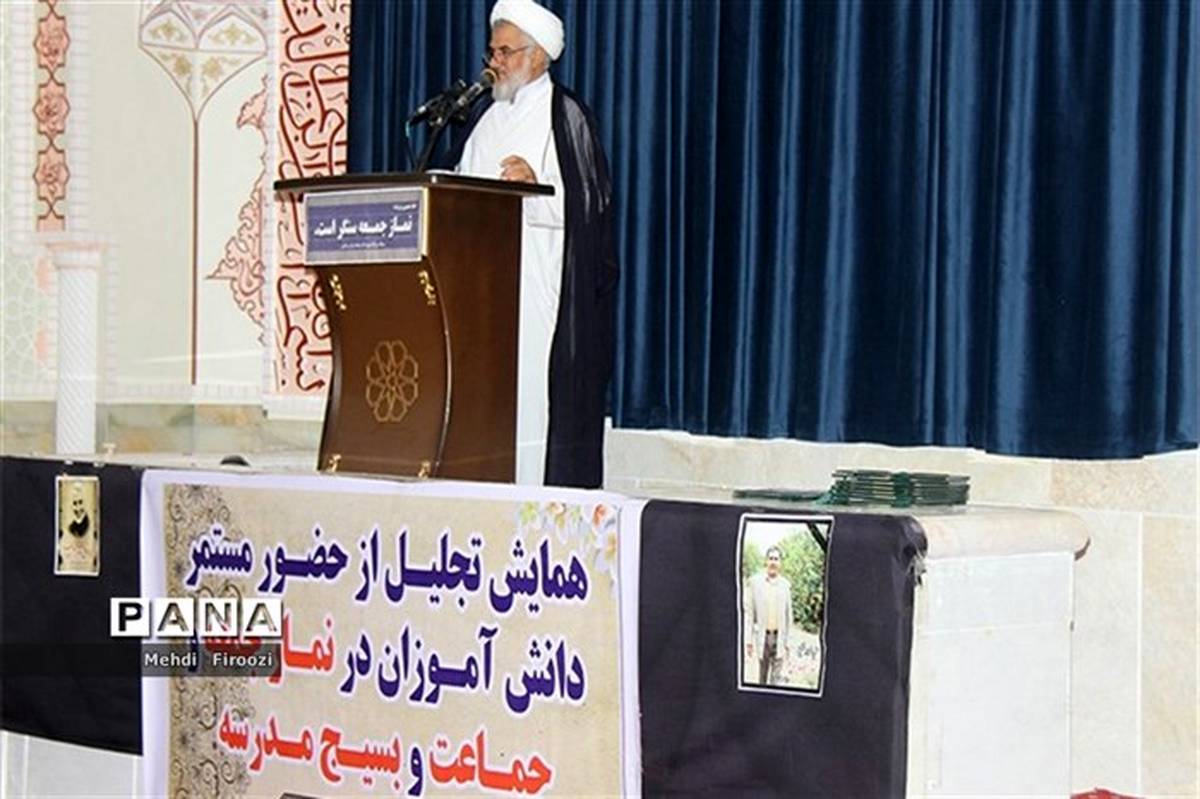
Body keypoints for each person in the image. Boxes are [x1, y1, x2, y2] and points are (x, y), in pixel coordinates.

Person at [441, 0, 618, 490]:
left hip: (539, 291)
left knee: (533, 406)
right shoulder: (487, 118)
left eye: (505, 52)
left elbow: (590, 208)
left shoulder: (565, 114)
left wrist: (536, 185)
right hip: (481, 294)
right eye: (493, 51)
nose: (494, 62)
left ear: (537, 56)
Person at [747, 546, 792, 685]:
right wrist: (749, 641)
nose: (773, 562)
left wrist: (788, 642)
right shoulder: (755, 583)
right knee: (762, 678)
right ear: (766, 561)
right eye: (771, 558)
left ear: (780, 563)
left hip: (780, 637)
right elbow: (750, 614)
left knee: (776, 680)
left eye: (776, 559)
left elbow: (788, 616)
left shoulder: (786, 585)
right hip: (763, 637)